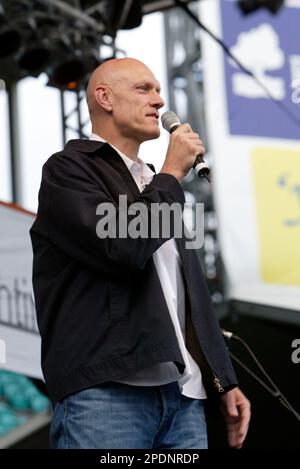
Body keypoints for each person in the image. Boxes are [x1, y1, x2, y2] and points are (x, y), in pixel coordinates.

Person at [30, 58, 250, 449]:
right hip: (107, 390)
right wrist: (170, 173)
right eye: (143, 89)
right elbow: (123, 246)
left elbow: (187, 293)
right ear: (105, 97)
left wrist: (223, 377)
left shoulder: (156, 182)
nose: (159, 101)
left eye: (159, 90)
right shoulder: (69, 170)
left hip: (184, 399)